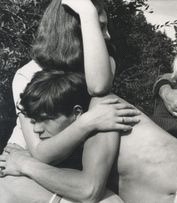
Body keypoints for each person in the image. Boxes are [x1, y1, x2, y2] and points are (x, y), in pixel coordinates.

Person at [1, 65, 177, 203]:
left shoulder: (102, 113)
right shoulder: (77, 148)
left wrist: (26, 164)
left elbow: (88, 191)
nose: (36, 131)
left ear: (77, 113)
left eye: (44, 120)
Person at [2, 0, 140, 202]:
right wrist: (87, 122)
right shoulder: (28, 74)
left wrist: (87, 13)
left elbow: (98, 86)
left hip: (67, 167)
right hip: (23, 161)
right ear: (73, 29)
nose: (108, 35)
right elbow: (41, 152)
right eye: (100, 25)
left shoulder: (101, 65)